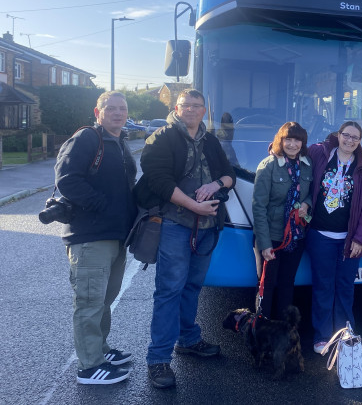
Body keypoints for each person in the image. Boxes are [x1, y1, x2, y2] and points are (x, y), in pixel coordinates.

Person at [136, 89, 235, 389]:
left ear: (205, 110)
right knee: (169, 290)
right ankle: (158, 360)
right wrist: (194, 205)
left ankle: (188, 339)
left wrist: (215, 184)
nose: (191, 110)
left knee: (193, 286)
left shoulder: (212, 140)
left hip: (207, 227)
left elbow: (229, 174)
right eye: (186, 105)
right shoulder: (161, 138)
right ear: (176, 108)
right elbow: (159, 181)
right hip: (175, 225)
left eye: (197, 106)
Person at [55, 91, 137, 384]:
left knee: (105, 299)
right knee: (90, 301)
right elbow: (66, 178)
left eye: (122, 109)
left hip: (116, 236)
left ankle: (100, 350)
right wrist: (99, 204)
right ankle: (89, 366)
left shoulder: (120, 142)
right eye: (111, 108)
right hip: (90, 236)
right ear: (98, 111)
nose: (118, 113)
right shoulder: (88, 138)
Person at [306, 121, 362, 354]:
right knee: (323, 286)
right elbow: (292, 151)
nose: (350, 140)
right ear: (338, 135)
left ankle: (345, 334)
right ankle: (322, 336)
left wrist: (360, 238)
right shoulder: (320, 153)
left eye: (355, 138)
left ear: (360, 141)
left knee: (346, 287)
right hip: (320, 236)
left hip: (349, 239)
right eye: (346, 135)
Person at [252, 122, 313, 318]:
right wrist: (264, 244)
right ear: (281, 140)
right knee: (266, 286)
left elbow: (312, 193)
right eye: (288, 139)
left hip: (296, 237)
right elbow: (258, 207)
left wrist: (306, 205)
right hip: (272, 237)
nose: (293, 144)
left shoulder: (307, 165)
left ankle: (284, 333)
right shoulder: (268, 165)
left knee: (288, 284)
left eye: (297, 140)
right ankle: (262, 331)